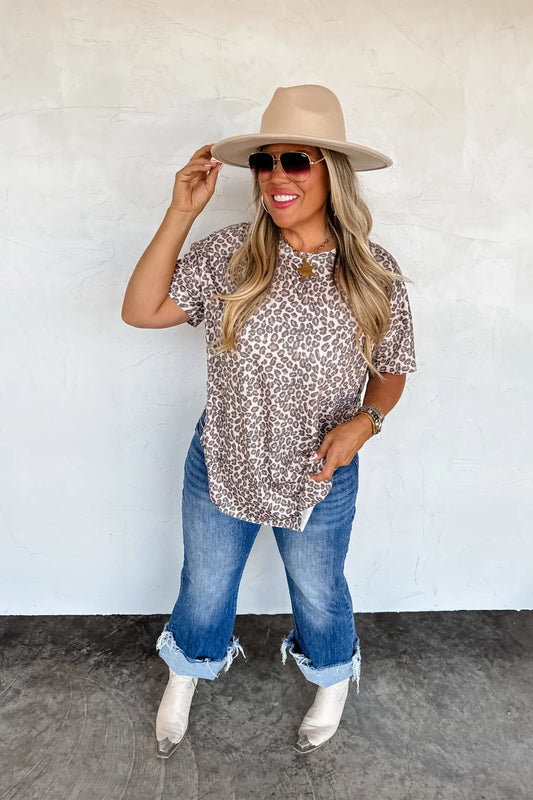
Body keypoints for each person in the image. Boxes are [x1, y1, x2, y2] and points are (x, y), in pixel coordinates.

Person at [121, 84, 417, 758]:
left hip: (322, 466)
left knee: (318, 590)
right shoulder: (232, 254)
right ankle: (188, 670)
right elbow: (141, 311)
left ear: (331, 173)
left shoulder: (373, 271)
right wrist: (178, 213)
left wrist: (364, 422)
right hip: (223, 454)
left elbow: (392, 364)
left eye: (296, 159)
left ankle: (331, 677)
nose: (276, 176)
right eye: (264, 162)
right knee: (204, 582)